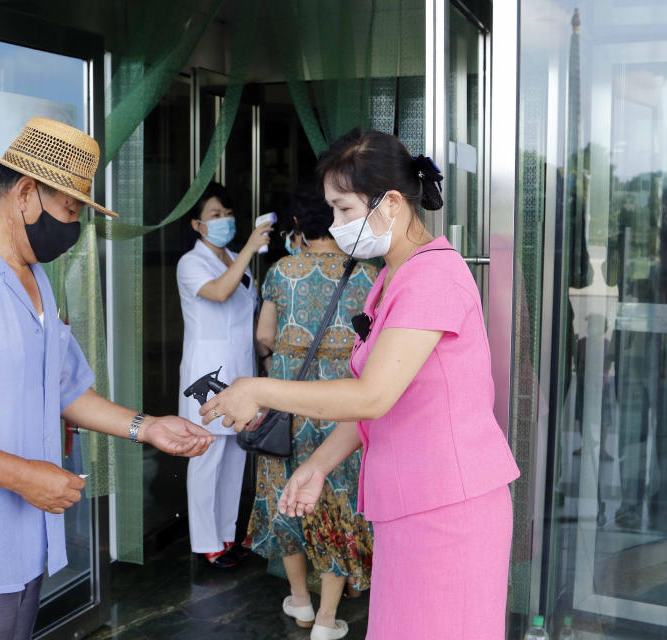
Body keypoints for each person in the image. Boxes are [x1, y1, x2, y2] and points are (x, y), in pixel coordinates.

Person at [0, 117, 214, 640]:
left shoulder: (37, 279)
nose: (73, 226)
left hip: (22, 545)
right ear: (26, 194)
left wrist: (146, 428)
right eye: (70, 210)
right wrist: (25, 477)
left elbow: (67, 389)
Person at [199, 129, 521, 639]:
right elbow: (382, 402)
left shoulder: (431, 276)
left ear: (390, 203)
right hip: (408, 505)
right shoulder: (393, 278)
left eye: (345, 210)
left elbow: (372, 394)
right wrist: (319, 464)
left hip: (447, 511)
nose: (336, 225)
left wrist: (259, 389)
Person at [246, 184, 376, 639]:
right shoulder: (366, 274)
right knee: (336, 498)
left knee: (288, 496)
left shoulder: (281, 272)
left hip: (288, 398)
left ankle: (299, 599)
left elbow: (264, 335)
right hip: (344, 400)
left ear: (298, 226)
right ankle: (327, 619)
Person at [177, 182, 271, 569]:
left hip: (240, 371)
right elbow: (217, 293)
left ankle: (226, 535)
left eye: (227, 213)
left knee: (234, 455)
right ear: (198, 225)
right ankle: (205, 542)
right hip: (207, 374)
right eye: (215, 215)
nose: (225, 220)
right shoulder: (191, 263)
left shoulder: (234, 257)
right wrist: (250, 248)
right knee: (207, 453)